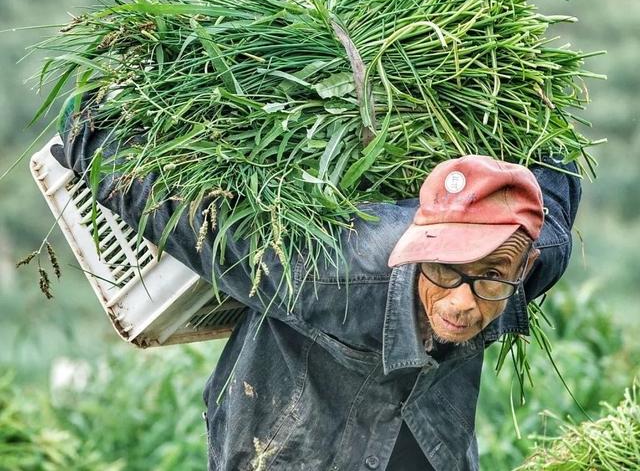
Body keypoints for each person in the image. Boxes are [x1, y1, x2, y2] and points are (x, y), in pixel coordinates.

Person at [54, 105, 581, 471]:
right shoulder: (330, 273)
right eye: (443, 271)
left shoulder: (533, 255)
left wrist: (534, 99)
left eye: (490, 278)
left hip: (429, 446)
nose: (462, 304)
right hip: (291, 445)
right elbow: (197, 224)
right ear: (417, 247)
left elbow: (555, 177)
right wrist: (88, 138)